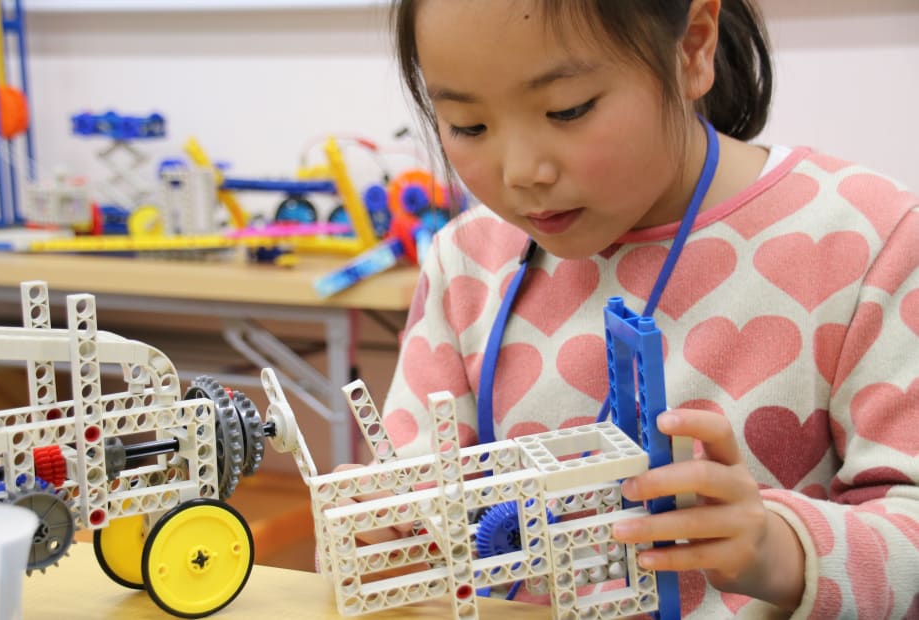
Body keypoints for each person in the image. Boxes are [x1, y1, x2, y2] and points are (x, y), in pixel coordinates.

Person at [339, 0, 919, 617]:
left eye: (568, 110)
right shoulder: (466, 261)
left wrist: (782, 552)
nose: (522, 172)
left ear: (693, 46)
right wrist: (383, 534)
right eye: (468, 126)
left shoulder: (868, 240)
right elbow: (415, 498)